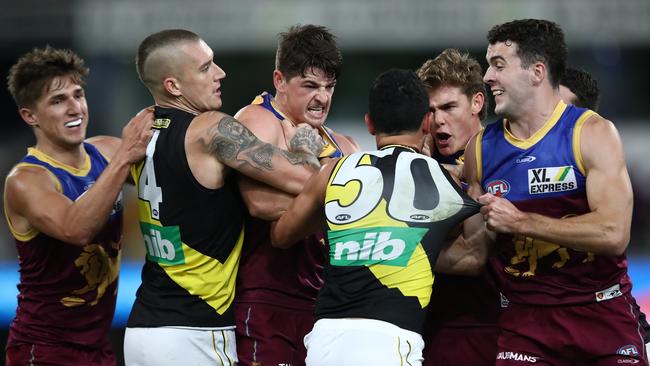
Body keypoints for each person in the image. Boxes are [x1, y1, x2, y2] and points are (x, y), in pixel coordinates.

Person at [122, 29, 325, 366]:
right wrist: (304, 144)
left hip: (142, 329)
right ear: (173, 86)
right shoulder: (210, 130)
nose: (220, 73)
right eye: (205, 68)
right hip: (196, 331)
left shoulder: (140, 135)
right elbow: (305, 179)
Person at [270, 69, 488, 366]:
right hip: (392, 338)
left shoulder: (332, 172)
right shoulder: (439, 179)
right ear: (427, 122)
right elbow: (474, 257)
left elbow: (281, 236)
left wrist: (355, 233)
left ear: (369, 123)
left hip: (326, 337)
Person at [464, 18, 648, 365]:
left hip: (602, 316)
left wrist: (521, 222)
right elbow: (474, 253)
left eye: (498, 65)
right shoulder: (481, 150)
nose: (487, 77)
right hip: (526, 323)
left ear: (536, 72)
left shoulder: (592, 133)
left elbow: (613, 233)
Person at [3, 46, 153, 365]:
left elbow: (178, 178)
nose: (75, 108)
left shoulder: (105, 152)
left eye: (78, 95)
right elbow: (77, 229)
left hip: (98, 346)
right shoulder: (27, 180)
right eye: (58, 101)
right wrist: (126, 156)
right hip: (43, 348)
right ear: (30, 116)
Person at [233, 24, 359, 366]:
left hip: (325, 308)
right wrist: (334, 203)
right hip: (268, 301)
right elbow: (258, 203)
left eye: (329, 87)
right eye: (310, 86)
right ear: (279, 81)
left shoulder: (343, 144)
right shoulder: (258, 121)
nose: (322, 98)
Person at [416, 48, 500, 366]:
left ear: (477, 102)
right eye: (431, 110)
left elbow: (474, 256)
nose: (438, 120)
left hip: (496, 325)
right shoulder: (416, 159)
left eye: (449, 107)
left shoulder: (505, 154)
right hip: (433, 330)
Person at [560, 65, 650, 357]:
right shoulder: (501, 157)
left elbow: (615, 234)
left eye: (558, 113)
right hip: (531, 322)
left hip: (608, 317)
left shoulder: (598, 163)